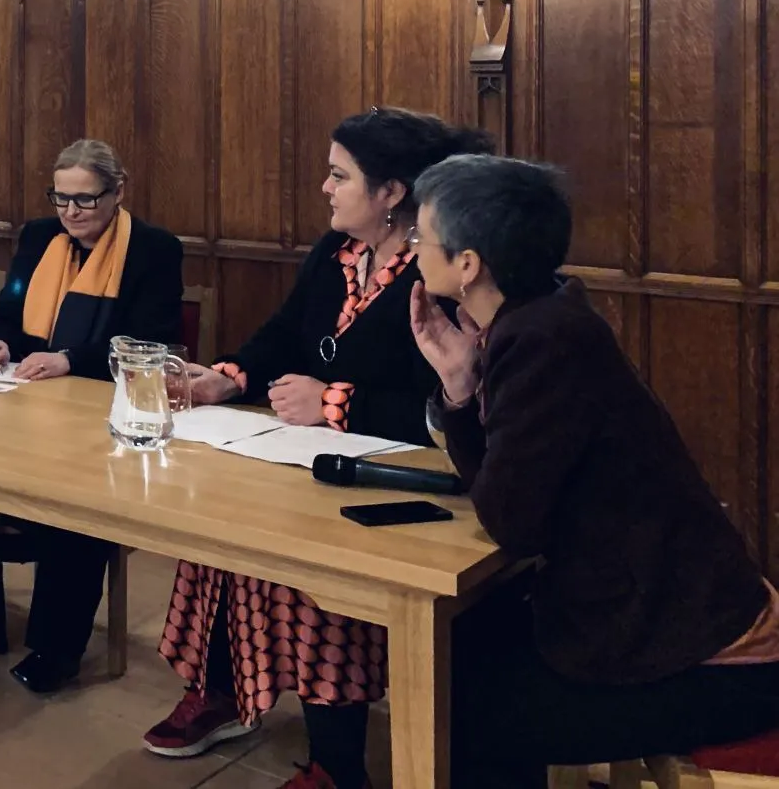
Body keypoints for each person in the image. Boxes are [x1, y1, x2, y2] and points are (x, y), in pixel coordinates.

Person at [144, 108, 492, 789]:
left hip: (403, 482)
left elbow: (450, 405)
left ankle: (337, 766)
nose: (326, 189)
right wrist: (228, 377)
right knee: (215, 528)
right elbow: (281, 333)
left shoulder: (436, 272)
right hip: (308, 458)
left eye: (340, 176)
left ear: (392, 193)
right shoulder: (332, 252)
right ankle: (219, 690)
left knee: (308, 572)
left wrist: (335, 401)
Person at [406, 155, 779, 788]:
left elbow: (510, 523)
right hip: (654, 610)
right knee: (462, 643)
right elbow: (505, 491)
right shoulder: (541, 316)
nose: (414, 249)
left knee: (464, 697)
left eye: (422, 237)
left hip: (708, 655)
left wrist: (465, 392)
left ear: (468, 264)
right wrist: (461, 386)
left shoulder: (541, 340)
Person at [0, 139, 183, 695]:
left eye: (85, 201)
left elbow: (150, 340)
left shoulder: (153, 249)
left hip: (99, 409)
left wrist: (71, 358)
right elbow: (9, 310)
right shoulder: (39, 237)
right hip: (26, 396)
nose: (70, 213)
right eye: (61, 199)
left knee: (76, 490)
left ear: (118, 193)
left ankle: (56, 646)